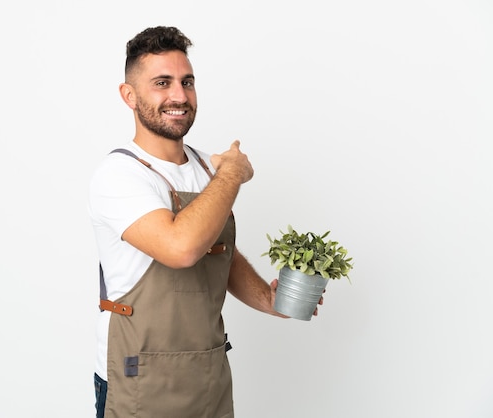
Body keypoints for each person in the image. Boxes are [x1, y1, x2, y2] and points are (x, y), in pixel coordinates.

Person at [88, 26, 323, 418]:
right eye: (162, 83)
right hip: (140, 383)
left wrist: (269, 299)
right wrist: (231, 174)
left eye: (187, 82)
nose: (179, 96)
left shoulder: (202, 167)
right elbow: (181, 247)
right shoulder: (119, 176)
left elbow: (218, 254)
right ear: (129, 95)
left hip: (209, 377)